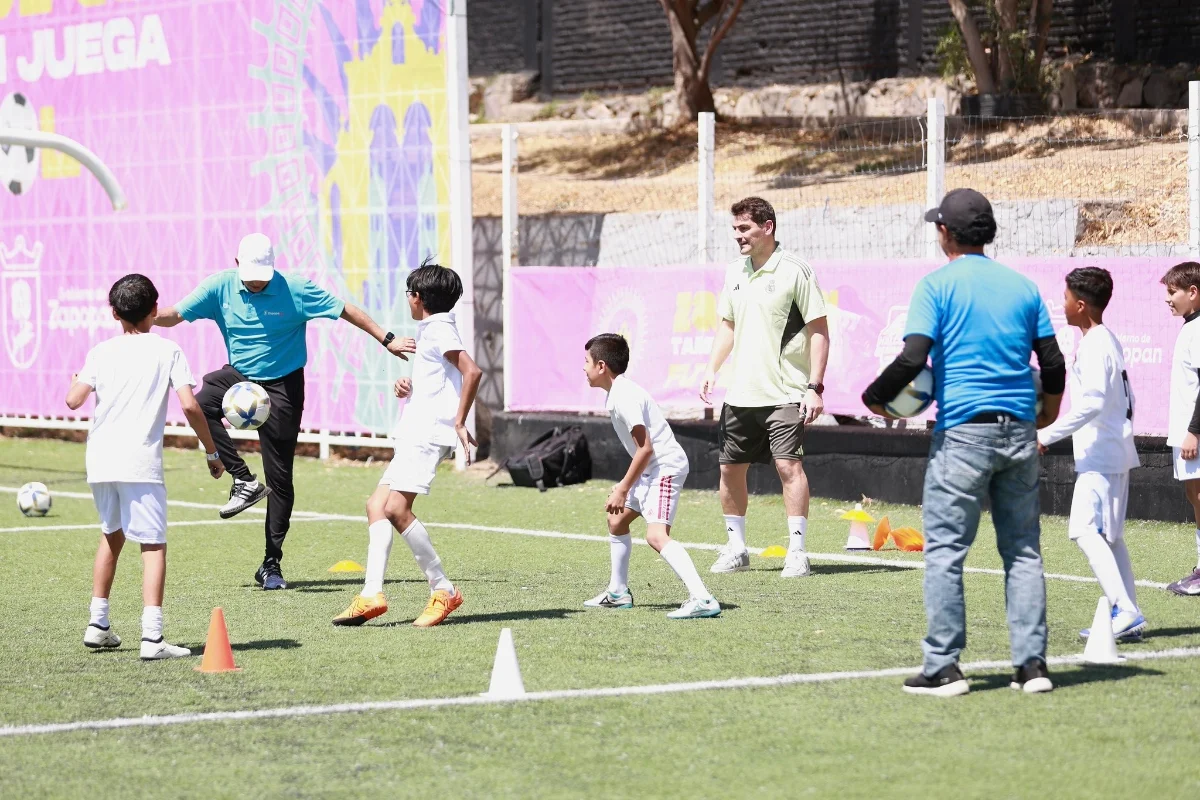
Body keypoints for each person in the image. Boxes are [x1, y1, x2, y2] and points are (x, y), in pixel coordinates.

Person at [862, 188, 1066, 697]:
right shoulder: (1023, 287)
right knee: (1023, 552)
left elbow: (913, 361)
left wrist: (874, 399)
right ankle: (1032, 667)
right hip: (1018, 429)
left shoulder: (936, 286)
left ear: (945, 233)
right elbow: (1054, 364)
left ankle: (944, 667)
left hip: (962, 434)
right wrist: (1046, 416)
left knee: (947, 553)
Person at [154, 233, 414, 590]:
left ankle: (270, 563)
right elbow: (173, 315)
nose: (257, 281)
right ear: (236, 266)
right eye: (250, 275)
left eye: (263, 273)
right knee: (198, 402)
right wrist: (144, 316)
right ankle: (242, 479)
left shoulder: (296, 289)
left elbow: (347, 310)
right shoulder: (219, 287)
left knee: (281, 479)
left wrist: (389, 339)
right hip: (239, 376)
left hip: (283, 385)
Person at [67, 274, 225, 660]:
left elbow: (73, 400)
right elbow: (190, 406)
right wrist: (211, 451)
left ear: (114, 313)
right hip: (139, 462)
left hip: (100, 460)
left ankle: (97, 623)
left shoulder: (100, 352)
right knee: (153, 545)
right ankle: (152, 638)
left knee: (111, 534)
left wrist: (77, 379)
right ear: (155, 309)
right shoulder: (167, 350)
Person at [333, 260, 481, 628]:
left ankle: (443, 589)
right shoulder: (433, 327)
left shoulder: (438, 330)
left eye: (408, 294)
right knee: (376, 506)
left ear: (417, 298)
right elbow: (441, 379)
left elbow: (472, 371)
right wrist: (410, 388)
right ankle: (371, 595)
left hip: (427, 434)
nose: (407, 300)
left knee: (397, 509)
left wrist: (459, 421)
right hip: (416, 428)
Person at [699, 196, 830, 580]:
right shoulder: (734, 271)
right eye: (735, 229)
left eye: (745, 229)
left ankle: (797, 552)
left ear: (767, 227)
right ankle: (737, 549)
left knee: (790, 467)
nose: (738, 236)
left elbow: (819, 330)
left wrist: (814, 387)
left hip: (787, 392)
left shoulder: (796, 270)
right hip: (740, 394)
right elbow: (728, 324)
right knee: (729, 470)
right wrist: (711, 369)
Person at [1037, 267, 1145, 640]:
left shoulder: (1097, 343)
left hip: (1103, 453)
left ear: (1081, 305)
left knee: (1083, 529)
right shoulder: (1104, 339)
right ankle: (1129, 614)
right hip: (1110, 450)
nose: (1061, 303)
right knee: (1110, 537)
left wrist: (1046, 434)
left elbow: (1094, 402)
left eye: (1065, 297)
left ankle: (1126, 609)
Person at [582, 334, 721, 619]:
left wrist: (622, 488)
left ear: (601, 366)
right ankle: (618, 593)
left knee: (656, 536)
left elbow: (645, 449)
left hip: (664, 468)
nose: (582, 368)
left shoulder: (624, 396)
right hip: (650, 469)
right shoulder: (617, 393)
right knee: (616, 520)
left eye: (585, 362)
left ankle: (703, 598)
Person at [1161, 261, 1200, 597]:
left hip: (1195, 435)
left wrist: (1194, 431)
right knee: (1195, 496)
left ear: (1193, 292)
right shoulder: (1190, 327)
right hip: (1188, 433)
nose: (1168, 299)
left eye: (1172, 292)